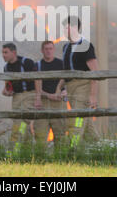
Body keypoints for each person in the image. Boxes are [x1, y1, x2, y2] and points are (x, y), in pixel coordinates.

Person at [60, 15, 99, 148]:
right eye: (64, 28)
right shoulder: (65, 47)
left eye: (68, 27)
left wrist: (93, 95)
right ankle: (100, 148)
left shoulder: (86, 45)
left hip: (83, 85)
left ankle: (73, 149)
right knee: (85, 121)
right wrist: (61, 88)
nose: (65, 30)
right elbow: (65, 71)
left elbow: (95, 72)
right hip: (70, 86)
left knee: (77, 118)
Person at [1, 43, 37, 156]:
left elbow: (38, 79)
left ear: (14, 53)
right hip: (16, 97)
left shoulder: (27, 62)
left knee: (21, 123)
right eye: (2, 52)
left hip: (29, 95)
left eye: (6, 52)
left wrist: (38, 96)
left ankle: (14, 151)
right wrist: (6, 91)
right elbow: (7, 85)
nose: (3, 55)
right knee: (19, 122)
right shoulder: (6, 67)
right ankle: (29, 151)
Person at [33, 41, 67, 148]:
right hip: (43, 104)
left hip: (59, 104)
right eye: (46, 49)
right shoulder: (37, 65)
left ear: (54, 50)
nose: (48, 51)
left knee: (60, 134)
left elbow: (68, 81)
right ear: (42, 50)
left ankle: (60, 160)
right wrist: (48, 95)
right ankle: (40, 160)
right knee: (40, 134)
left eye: (50, 48)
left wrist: (65, 92)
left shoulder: (62, 64)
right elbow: (36, 88)